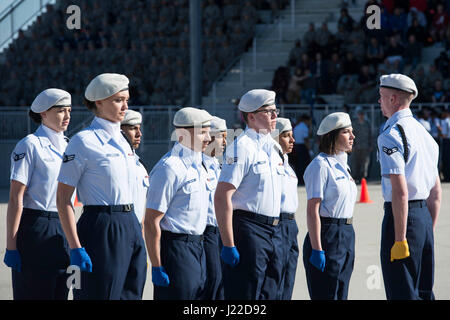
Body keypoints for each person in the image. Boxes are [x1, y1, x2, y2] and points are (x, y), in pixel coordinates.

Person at [56, 73, 147, 300]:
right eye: (118, 100)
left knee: (132, 293)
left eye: (126, 99)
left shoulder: (123, 142)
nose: (125, 106)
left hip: (131, 224)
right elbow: (63, 199)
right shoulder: (83, 141)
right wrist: (75, 246)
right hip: (102, 226)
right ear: (99, 102)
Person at [214, 89, 284, 300]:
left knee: (271, 292)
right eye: (268, 111)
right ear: (251, 116)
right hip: (249, 230)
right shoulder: (241, 147)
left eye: (275, 110)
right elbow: (222, 196)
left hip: (273, 230)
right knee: (246, 295)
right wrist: (228, 243)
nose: (275, 116)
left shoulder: (272, 147)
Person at [378, 73, 441, 300]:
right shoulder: (426, 135)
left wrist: (400, 238)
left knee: (401, 291)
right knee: (424, 291)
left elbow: (400, 191)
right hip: (423, 219)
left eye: (382, 96)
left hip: (402, 219)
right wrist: (427, 231)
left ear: (393, 99)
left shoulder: (392, 134)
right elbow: (435, 193)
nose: (379, 101)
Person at [4, 89, 72, 300]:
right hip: (37, 226)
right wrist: (11, 245)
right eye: (60, 111)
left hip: (64, 227)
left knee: (60, 291)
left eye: (69, 110)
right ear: (43, 113)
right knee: (34, 292)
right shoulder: (29, 145)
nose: (67, 116)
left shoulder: (70, 145)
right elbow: (16, 198)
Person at [145, 107, 212, 300]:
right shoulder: (170, 168)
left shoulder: (199, 166)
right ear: (182, 134)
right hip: (177, 249)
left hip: (199, 247)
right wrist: (157, 265)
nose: (208, 138)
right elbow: (151, 221)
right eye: (202, 132)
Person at [302, 112, 357, 300]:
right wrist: (317, 248)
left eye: (352, 131)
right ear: (332, 136)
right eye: (346, 132)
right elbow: (312, 210)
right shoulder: (320, 165)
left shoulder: (343, 165)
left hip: (347, 232)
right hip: (328, 234)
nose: (352, 136)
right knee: (327, 294)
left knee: (341, 293)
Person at [271, 118, 299, 300]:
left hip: (290, 225)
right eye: (286, 136)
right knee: (276, 279)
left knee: (288, 279)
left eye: (292, 135)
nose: (292, 140)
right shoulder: (270, 161)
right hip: (277, 223)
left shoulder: (287, 162)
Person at [202, 116, 228, 300]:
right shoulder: (198, 164)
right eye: (222, 137)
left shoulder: (217, 166)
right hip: (205, 234)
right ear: (210, 137)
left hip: (220, 233)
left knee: (221, 287)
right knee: (210, 283)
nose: (226, 142)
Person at [120, 109, 148, 229]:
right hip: (120, 228)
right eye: (132, 129)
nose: (139, 134)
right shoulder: (115, 163)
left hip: (136, 230)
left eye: (139, 128)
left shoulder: (140, 165)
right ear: (120, 131)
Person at [350, 106, 373, 183]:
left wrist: (371, 145)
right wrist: (351, 146)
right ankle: (355, 178)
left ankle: (363, 178)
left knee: (365, 163)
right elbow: (352, 135)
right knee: (355, 163)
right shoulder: (354, 124)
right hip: (356, 147)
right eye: (360, 114)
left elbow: (371, 135)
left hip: (365, 147)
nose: (361, 116)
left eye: (362, 114)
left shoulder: (367, 124)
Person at [293, 114, 312, 185]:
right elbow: (306, 139)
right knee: (304, 164)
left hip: (297, 146)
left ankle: (299, 180)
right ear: (306, 120)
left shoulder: (297, 127)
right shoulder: (304, 127)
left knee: (298, 164)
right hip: (303, 147)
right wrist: (309, 150)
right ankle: (303, 180)